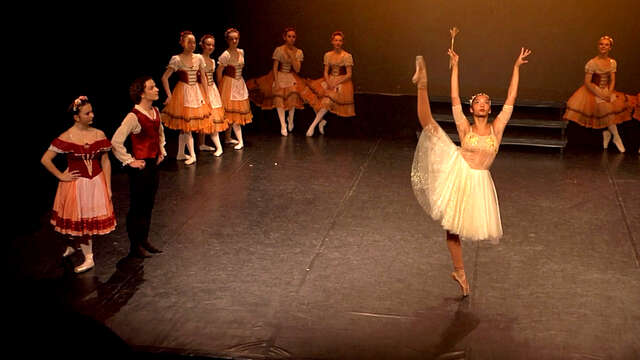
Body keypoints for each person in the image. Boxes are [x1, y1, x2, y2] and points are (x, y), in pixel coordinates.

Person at [411, 47, 531, 297]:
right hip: (458, 171)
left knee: (457, 230)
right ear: (472, 109)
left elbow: (511, 99)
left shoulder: (497, 128)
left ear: (490, 109)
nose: (483, 104)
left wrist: (516, 68)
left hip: (478, 181)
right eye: (478, 102)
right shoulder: (465, 128)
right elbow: (455, 98)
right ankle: (422, 84)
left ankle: (459, 273)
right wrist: (455, 67)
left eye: (487, 102)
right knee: (430, 126)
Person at [41, 96, 116, 273]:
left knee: (86, 221)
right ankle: (75, 247)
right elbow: (45, 159)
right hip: (76, 185)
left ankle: (88, 256)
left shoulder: (98, 134)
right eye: (87, 113)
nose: (92, 115)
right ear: (76, 117)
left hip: (95, 183)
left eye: (91, 111)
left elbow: (105, 160)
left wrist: (108, 186)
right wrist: (61, 175)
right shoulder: (67, 136)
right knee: (76, 220)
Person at [112, 77, 166, 258]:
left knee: (148, 204)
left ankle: (144, 239)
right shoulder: (134, 116)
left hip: (152, 165)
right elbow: (116, 141)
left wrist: (161, 151)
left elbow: (159, 133)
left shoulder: (155, 111)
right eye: (152, 87)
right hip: (140, 168)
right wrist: (129, 161)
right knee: (138, 206)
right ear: (142, 93)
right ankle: (135, 245)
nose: (157, 89)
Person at [563, 36, 631, 152]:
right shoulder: (592, 63)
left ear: (610, 47)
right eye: (601, 44)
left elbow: (613, 79)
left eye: (606, 45)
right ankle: (616, 137)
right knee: (606, 110)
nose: (603, 46)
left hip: (606, 90)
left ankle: (607, 134)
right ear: (598, 46)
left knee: (610, 109)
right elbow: (588, 82)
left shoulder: (612, 62)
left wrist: (609, 92)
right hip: (593, 91)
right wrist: (599, 94)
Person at [161, 31, 212, 164]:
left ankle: (180, 153)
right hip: (183, 92)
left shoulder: (198, 58)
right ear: (182, 43)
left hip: (195, 92)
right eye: (189, 42)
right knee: (186, 125)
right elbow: (165, 78)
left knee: (186, 126)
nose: (192, 45)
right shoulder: (177, 59)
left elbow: (204, 78)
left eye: (194, 42)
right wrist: (169, 95)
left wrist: (206, 96)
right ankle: (192, 155)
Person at [247, 27, 305, 136]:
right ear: (284, 37)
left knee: (293, 96)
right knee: (278, 98)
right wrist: (277, 81)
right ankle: (283, 124)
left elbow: (297, 69)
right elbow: (275, 67)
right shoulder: (279, 49)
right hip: (279, 75)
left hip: (291, 75)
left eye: (293, 37)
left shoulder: (298, 52)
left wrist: (293, 56)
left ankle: (290, 119)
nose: (291, 39)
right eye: (289, 36)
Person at [301, 31, 355, 137]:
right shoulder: (328, 55)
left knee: (327, 101)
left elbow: (349, 74)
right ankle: (321, 121)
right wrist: (328, 82)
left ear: (342, 42)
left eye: (340, 40)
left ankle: (312, 126)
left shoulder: (347, 56)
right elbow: (326, 71)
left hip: (342, 81)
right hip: (329, 79)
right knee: (311, 96)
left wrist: (336, 82)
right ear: (332, 42)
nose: (338, 42)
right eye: (336, 40)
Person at [217, 28, 253, 150]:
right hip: (229, 83)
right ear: (227, 40)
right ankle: (240, 140)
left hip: (239, 83)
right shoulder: (225, 55)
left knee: (233, 111)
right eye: (231, 39)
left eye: (236, 38)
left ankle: (227, 137)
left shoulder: (241, 52)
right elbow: (219, 71)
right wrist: (220, 86)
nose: (234, 41)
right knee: (231, 111)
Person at [198, 34, 227, 157]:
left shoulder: (212, 61)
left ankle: (202, 144)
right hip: (201, 89)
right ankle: (215, 146)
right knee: (206, 117)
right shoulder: (198, 58)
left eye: (212, 45)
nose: (210, 47)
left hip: (211, 88)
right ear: (202, 45)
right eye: (208, 44)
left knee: (212, 116)